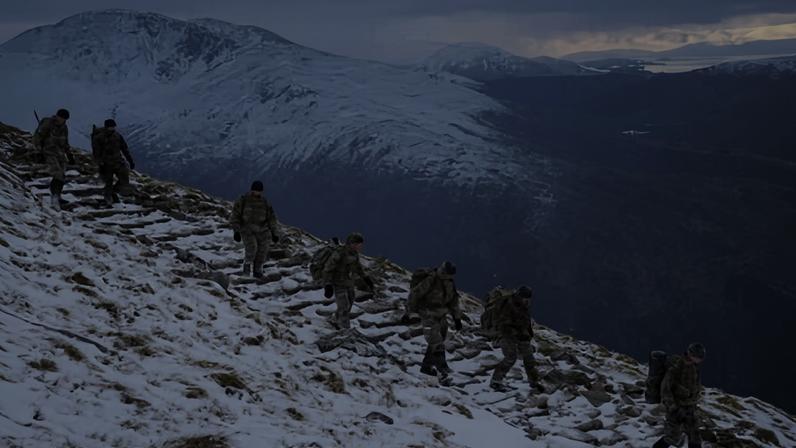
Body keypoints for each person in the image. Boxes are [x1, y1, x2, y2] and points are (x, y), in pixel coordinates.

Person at [406, 261, 462, 386]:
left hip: (441, 314)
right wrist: (409, 312)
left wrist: (457, 318)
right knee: (436, 342)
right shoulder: (431, 279)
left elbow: (453, 301)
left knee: (439, 339)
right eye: (444, 272)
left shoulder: (449, 283)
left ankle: (426, 366)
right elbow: (415, 294)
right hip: (427, 313)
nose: (444, 274)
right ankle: (442, 373)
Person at [652, 343, 706, 448]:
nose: (701, 359)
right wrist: (673, 407)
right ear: (691, 354)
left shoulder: (694, 367)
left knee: (695, 436)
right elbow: (665, 389)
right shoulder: (676, 367)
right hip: (676, 408)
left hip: (690, 407)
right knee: (672, 437)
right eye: (699, 356)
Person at [487, 286, 539, 392]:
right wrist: (517, 333)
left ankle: (534, 382)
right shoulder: (508, 305)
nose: (527, 300)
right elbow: (504, 323)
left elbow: (525, 321)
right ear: (520, 296)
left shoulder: (522, 305)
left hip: (522, 335)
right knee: (510, 357)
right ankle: (496, 381)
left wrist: (528, 334)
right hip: (507, 335)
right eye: (525, 298)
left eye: (528, 298)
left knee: (529, 358)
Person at [322, 232, 374, 329]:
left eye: (360, 245)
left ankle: (336, 320)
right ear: (352, 243)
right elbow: (328, 269)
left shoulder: (355, 254)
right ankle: (345, 329)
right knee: (344, 306)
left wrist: (367, 279)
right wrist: (328, 285)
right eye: (358, 244)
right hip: (338, 284)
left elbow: (359, 268)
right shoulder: (339, 253)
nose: (360, 247)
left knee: (349, 305)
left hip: (349, 284)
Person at [229, 181, 280, 277]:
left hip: (262, 230)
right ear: (251, 190)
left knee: (262, 250)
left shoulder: (265, 203)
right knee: (252, 248)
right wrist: (236, 231)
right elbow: (235, 216)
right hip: (247, 229)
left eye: (258, 191)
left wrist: (274, 233)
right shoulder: (243, 200)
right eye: (255, 190)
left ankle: (257, 270)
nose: (256, 192)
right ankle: (247, 269)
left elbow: (271, 219)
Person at [32, 108, 74, 210]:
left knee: (62, 175)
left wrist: (69, 155)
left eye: (65, 119)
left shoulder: (64, 127)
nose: (62, 120)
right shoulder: (48, 123)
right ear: (57, 116)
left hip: (60, 154)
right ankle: (54, 197)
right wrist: (38, 152)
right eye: (61, 118)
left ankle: (57, 195)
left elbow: (65, 142)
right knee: (57, 173)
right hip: (49, 152)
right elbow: (37, 137)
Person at [91, 119, 135, 205]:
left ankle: (112, 193)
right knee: (108, 182)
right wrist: (100, 163)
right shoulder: (99, 137)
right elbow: (96, 152)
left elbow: (124, 149)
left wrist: (130, 161)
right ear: (106, 127)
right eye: (111, 127)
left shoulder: (117, 136)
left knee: (124, 179)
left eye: (113, 127)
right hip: (106, 163)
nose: (112, 129)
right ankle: (108, 198)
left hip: (118, 161)